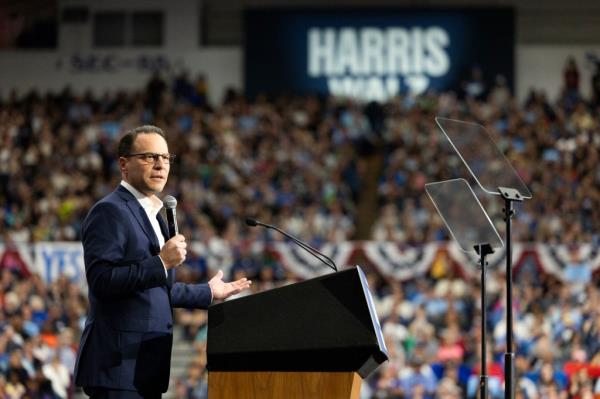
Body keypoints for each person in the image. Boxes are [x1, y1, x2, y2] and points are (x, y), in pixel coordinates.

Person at [73, 125, 251, 398]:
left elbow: (159, 289)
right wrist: (161, 262)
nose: (160, 165)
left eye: (165, 158)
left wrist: (209, 292)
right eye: (148, 157)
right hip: (118, 368)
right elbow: (102, 282)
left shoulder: (156, 214)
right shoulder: (110, 211)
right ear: (124, 164)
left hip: (146, 369)